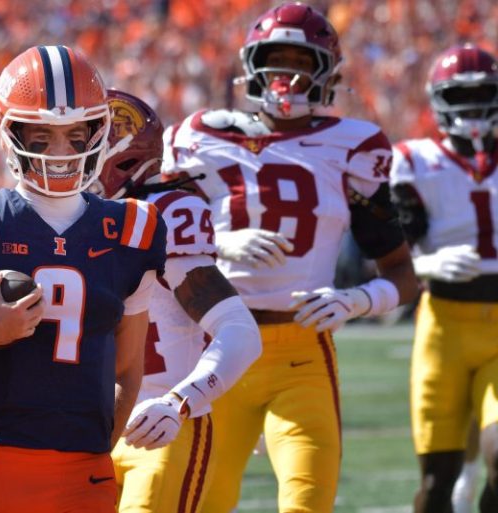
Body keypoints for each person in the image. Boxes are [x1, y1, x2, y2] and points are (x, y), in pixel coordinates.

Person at [161, 3, 419, 512]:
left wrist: (358, 300)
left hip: (302, 351)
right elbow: (148, 234)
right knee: (202, 503)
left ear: (327, 73)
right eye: (276, 62)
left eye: (302, 63)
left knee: (307, 502)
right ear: (251, 66)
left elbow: (403, 273)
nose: (288, 77)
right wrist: (215, 240)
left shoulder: (355, 145)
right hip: (214, 346)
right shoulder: (200, 138)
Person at [0, 45, 167, 513]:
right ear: (11, 131)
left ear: (97, 132)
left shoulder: (133, 228)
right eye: (41, 135)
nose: (60, 151)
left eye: (75, 133)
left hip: (85, 473)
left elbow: (126, 370)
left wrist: (96, 453)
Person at [94, 89, 262, 513]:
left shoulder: (166, 214)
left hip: (158, 426)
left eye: (78, 147)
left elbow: (239, 331)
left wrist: (179, 400)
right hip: (81, 426)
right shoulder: (56, 220)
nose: (62, 160)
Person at [389, 43, 498, 513]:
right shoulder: (414, 160)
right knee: (436, 485)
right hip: (443, 327)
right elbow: (392, 251)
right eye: (461, 97)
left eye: (483, 96)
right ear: (439, 101)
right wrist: (430, 264)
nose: (473, 110)